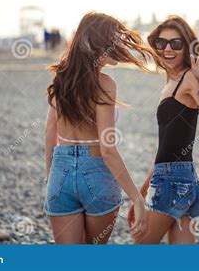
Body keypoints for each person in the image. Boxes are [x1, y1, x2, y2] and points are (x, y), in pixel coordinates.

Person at [44, 12, 156, 244]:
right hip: (96, 173)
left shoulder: (61, 79)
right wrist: (136, 198)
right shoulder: (104, 84)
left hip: (60, 171)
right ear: (99, 43)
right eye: (114, 39)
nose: (119, 44)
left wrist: (52, 177)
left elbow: (49, 133)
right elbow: (108, 150)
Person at [129, 15, 199, 244]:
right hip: (181, 178)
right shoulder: (170, 81)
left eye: (176, 43)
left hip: (173, 181)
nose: (167, 49)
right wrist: (141, 196)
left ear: (187, 46)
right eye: (161, 43)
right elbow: (166, 147)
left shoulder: (189, 78)